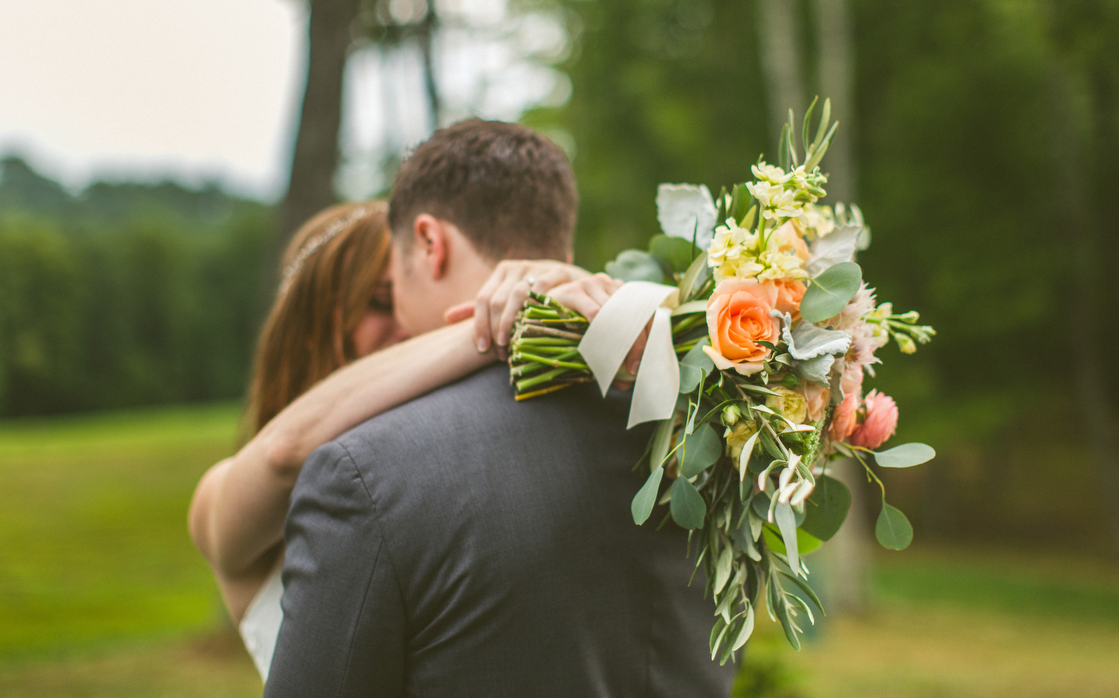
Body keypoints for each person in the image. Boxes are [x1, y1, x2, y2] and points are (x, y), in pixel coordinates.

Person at [263, 119, 735, 697]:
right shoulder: (710, 433)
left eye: (391, 280)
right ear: (560, 241)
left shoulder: (364, 474)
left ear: (430, 242)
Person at [188, 199, 589, 678]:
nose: (405, 324)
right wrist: (496, 326)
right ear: (316, 326)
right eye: (381, 302)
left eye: (410, 297)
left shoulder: (428, 464)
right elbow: (283, 452)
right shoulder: (217, 496)